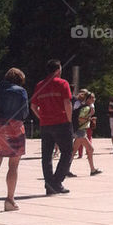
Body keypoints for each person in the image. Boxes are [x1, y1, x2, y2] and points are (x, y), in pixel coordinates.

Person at [31, 59, 73, 196]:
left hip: (45, 125)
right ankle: (57, 182)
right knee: (67, 152)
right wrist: (69, 119)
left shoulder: (40, 85)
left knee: (46, 155)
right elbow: (67, 103)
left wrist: (41, 117)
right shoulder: (63, 83)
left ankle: (49, 184)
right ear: (58, 70)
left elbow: (33, 106)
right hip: (61, 122)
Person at [0, 68, 29, 210]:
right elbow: (24, 113)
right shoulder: (21, 91)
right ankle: (9, 200)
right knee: (13, 166)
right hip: (15, 129)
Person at [73, 92, 102, 176]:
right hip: (81, 131)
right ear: (88, 99)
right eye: (93, 98)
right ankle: (92, 170)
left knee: (74, 151)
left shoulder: (83, 107)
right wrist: (90, 119)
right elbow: (80, 119)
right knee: (90, 149)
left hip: (80, 131)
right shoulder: (86, 108)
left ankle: (92, 169)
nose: (94, 99)